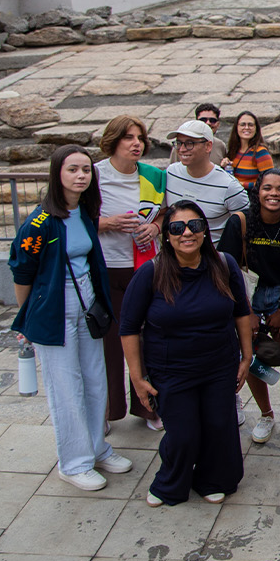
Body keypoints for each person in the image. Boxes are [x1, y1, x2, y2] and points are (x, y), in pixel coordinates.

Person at [11, 145, 132, 492]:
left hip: (87, 303)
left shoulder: (85, 212)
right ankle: (74, 462)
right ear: (57, 174)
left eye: (86, 170)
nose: (81, 176)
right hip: (54, 307)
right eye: (72, 169)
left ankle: (96, 448)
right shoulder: (39, 222)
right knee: (66, 386)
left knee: (95, 378)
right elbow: (22, 273)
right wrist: (28, 319)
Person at [122, 200, 250, 504]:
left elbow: (242, 312)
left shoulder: (224, 264)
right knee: (183, 434)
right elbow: (128, 327)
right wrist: (137, 378)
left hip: (219, 364)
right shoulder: (151, 272)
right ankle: (170, 481)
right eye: (177, 228)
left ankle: (212, 478)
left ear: (205, 230)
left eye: (195, 225)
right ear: (167, 235)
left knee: (219, 426)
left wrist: (247, 357)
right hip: (172, 369)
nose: (187, 233)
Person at [218, 169, 280, 449]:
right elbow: (227, 269)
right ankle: (266, 415)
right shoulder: (240, 222)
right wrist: (246, 312)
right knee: (250, 355)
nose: (274, 194)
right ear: (257, 191)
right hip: (248, 293)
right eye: (268, 188)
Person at [94, 117, 165, 431]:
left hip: (144, 267)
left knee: (148, 338)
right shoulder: (94, 174)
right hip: (105, 268)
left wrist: (156, 227)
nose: (136, 143)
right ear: (113, 140)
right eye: (128, 137)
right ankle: (107, 410)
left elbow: (165, 212)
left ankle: (149, 407)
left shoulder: (153, 175)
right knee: (108, 343)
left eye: (140, 137)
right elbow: (72, 218)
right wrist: (107, 224)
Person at [164, 120, 249, 245]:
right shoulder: (171, 173)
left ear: (208, 146)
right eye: (179, 143)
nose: (182, 149)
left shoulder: (229, 186)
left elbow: (247, 226)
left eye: (189, 143)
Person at [220, 111, 274, 189]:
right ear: (236, 127)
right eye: (243, 124)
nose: (247, 127)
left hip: (251, 195)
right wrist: (223, 167)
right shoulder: (234, 150)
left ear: (256, 128)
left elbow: (269, 181)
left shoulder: (260, 152)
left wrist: (241, 184)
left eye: (250, 125)